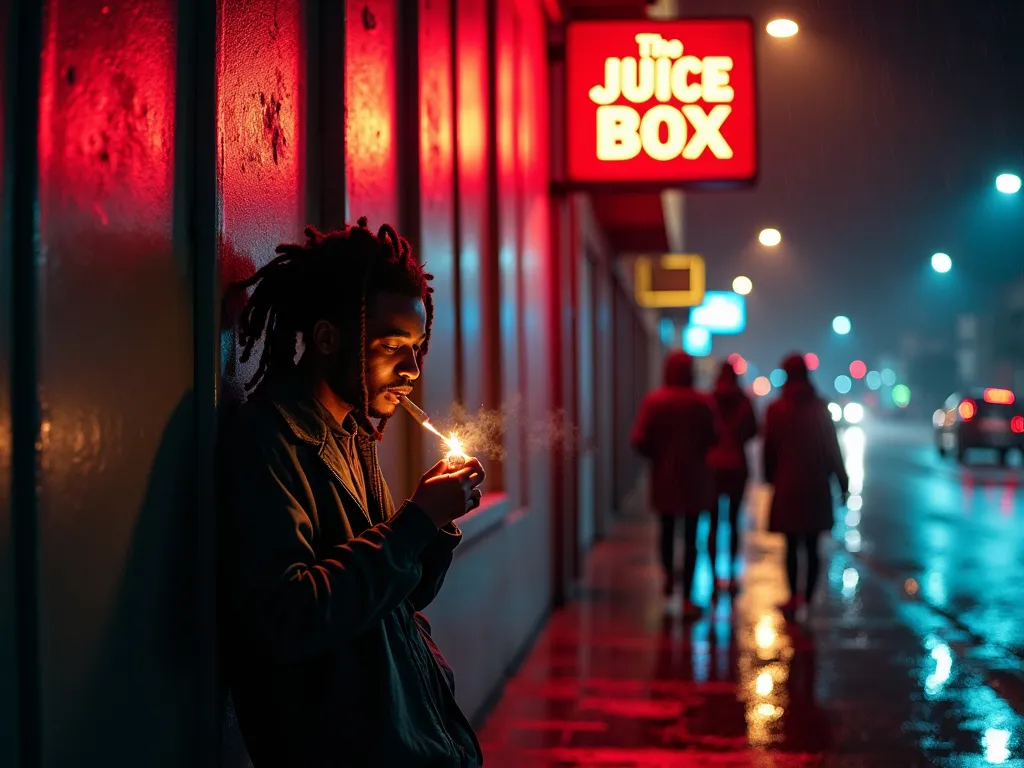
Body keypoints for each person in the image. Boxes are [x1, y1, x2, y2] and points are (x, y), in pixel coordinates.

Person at [218, 219, 486, 767]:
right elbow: (289, 619)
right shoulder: (270, 441)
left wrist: (433, 526)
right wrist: (415, 522)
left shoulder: (353, 435)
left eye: (417, 348)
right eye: (392, 346)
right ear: (326, 339)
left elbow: (399, 598)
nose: (411, 369)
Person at [631, 351, 718, 618]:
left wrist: (659, 457)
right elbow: (715, 436)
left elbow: (639, 439)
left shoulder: (655, 402)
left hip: (665, 478)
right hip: (694, 478)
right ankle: (689, 596)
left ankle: (669, 578)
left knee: (667, 531)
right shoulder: (702, 403)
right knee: (692, 537)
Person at [762, 353, 849, 614]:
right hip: (815, 486)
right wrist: (842, 483)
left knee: (790, 544)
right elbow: (832, 450)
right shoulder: (820, 408)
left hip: (787, 484)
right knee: (812, 546)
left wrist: (770, 477)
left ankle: (793, 597)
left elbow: (769, 449)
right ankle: (808, 600)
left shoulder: (776, 410)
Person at [707, 361, 758, 594]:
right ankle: (732, 573)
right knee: (734, 522)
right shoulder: (744, 402)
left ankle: (714, 574)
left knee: (714, 523)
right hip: (737, 466)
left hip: (713, 468)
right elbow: (754, 430)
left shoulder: (710, 401)